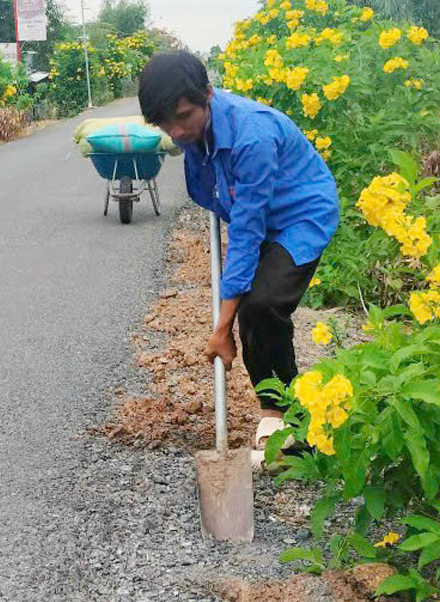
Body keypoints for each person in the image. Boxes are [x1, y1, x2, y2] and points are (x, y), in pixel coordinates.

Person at [138, 51, 340, 468]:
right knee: (253, 307)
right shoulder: (193, 130)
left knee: (262, 307)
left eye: (183, 117)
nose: (176, 131)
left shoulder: (252, 135)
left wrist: (221, 328)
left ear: (208, 95)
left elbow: (246, 235)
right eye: (164, 124)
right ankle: (286, 419)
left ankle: (284, 424)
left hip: (301, 214)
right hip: (261, 217)